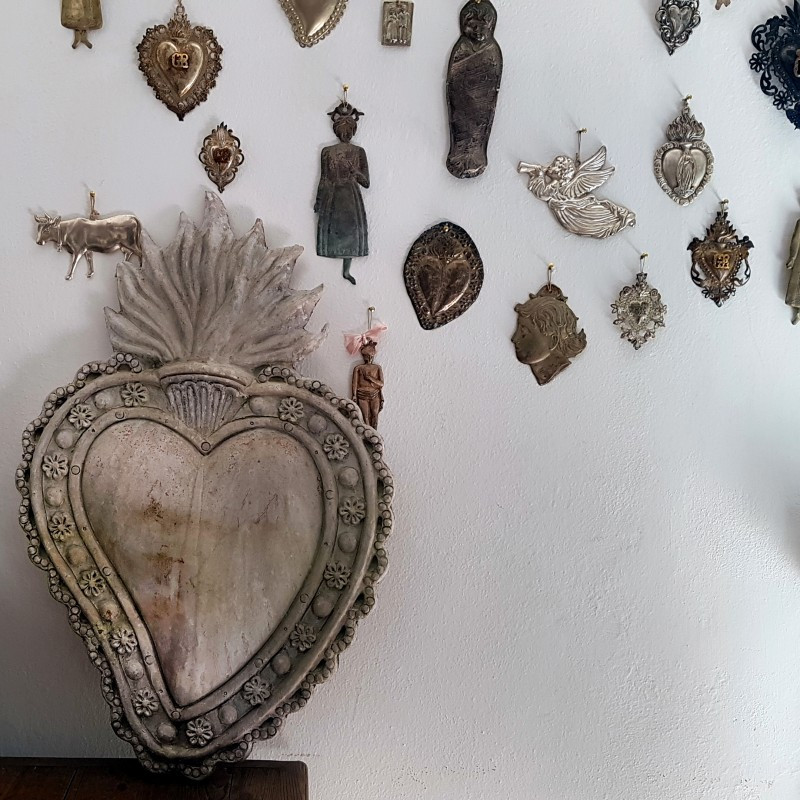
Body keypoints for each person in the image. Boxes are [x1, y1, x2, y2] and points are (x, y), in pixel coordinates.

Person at [315, 99, 370, 285]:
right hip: (333, 195)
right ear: (336, 131)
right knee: (334, 231)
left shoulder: (359, 152)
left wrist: (355, 172)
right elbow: (324, 178)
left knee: (351, 233)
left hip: (351, 198)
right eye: (342, 130)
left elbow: (366, 182)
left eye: (349, 131)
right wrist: (319, 200)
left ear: (353, 131)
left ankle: (346, 270)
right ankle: (343, 269)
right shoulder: (327, 152)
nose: (345, 134)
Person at [352, 341, 384, 428]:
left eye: (371, 356)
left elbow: (381, 384)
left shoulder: (377, 368)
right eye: (367, 356)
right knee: (365, 417)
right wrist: (354, 395)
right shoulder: (358, 368)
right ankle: (367, 433)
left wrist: (370, 378)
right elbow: (355, 383)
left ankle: (374, 433)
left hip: (375, 394)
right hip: (362, 395)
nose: (369, 358)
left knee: (375, 414)